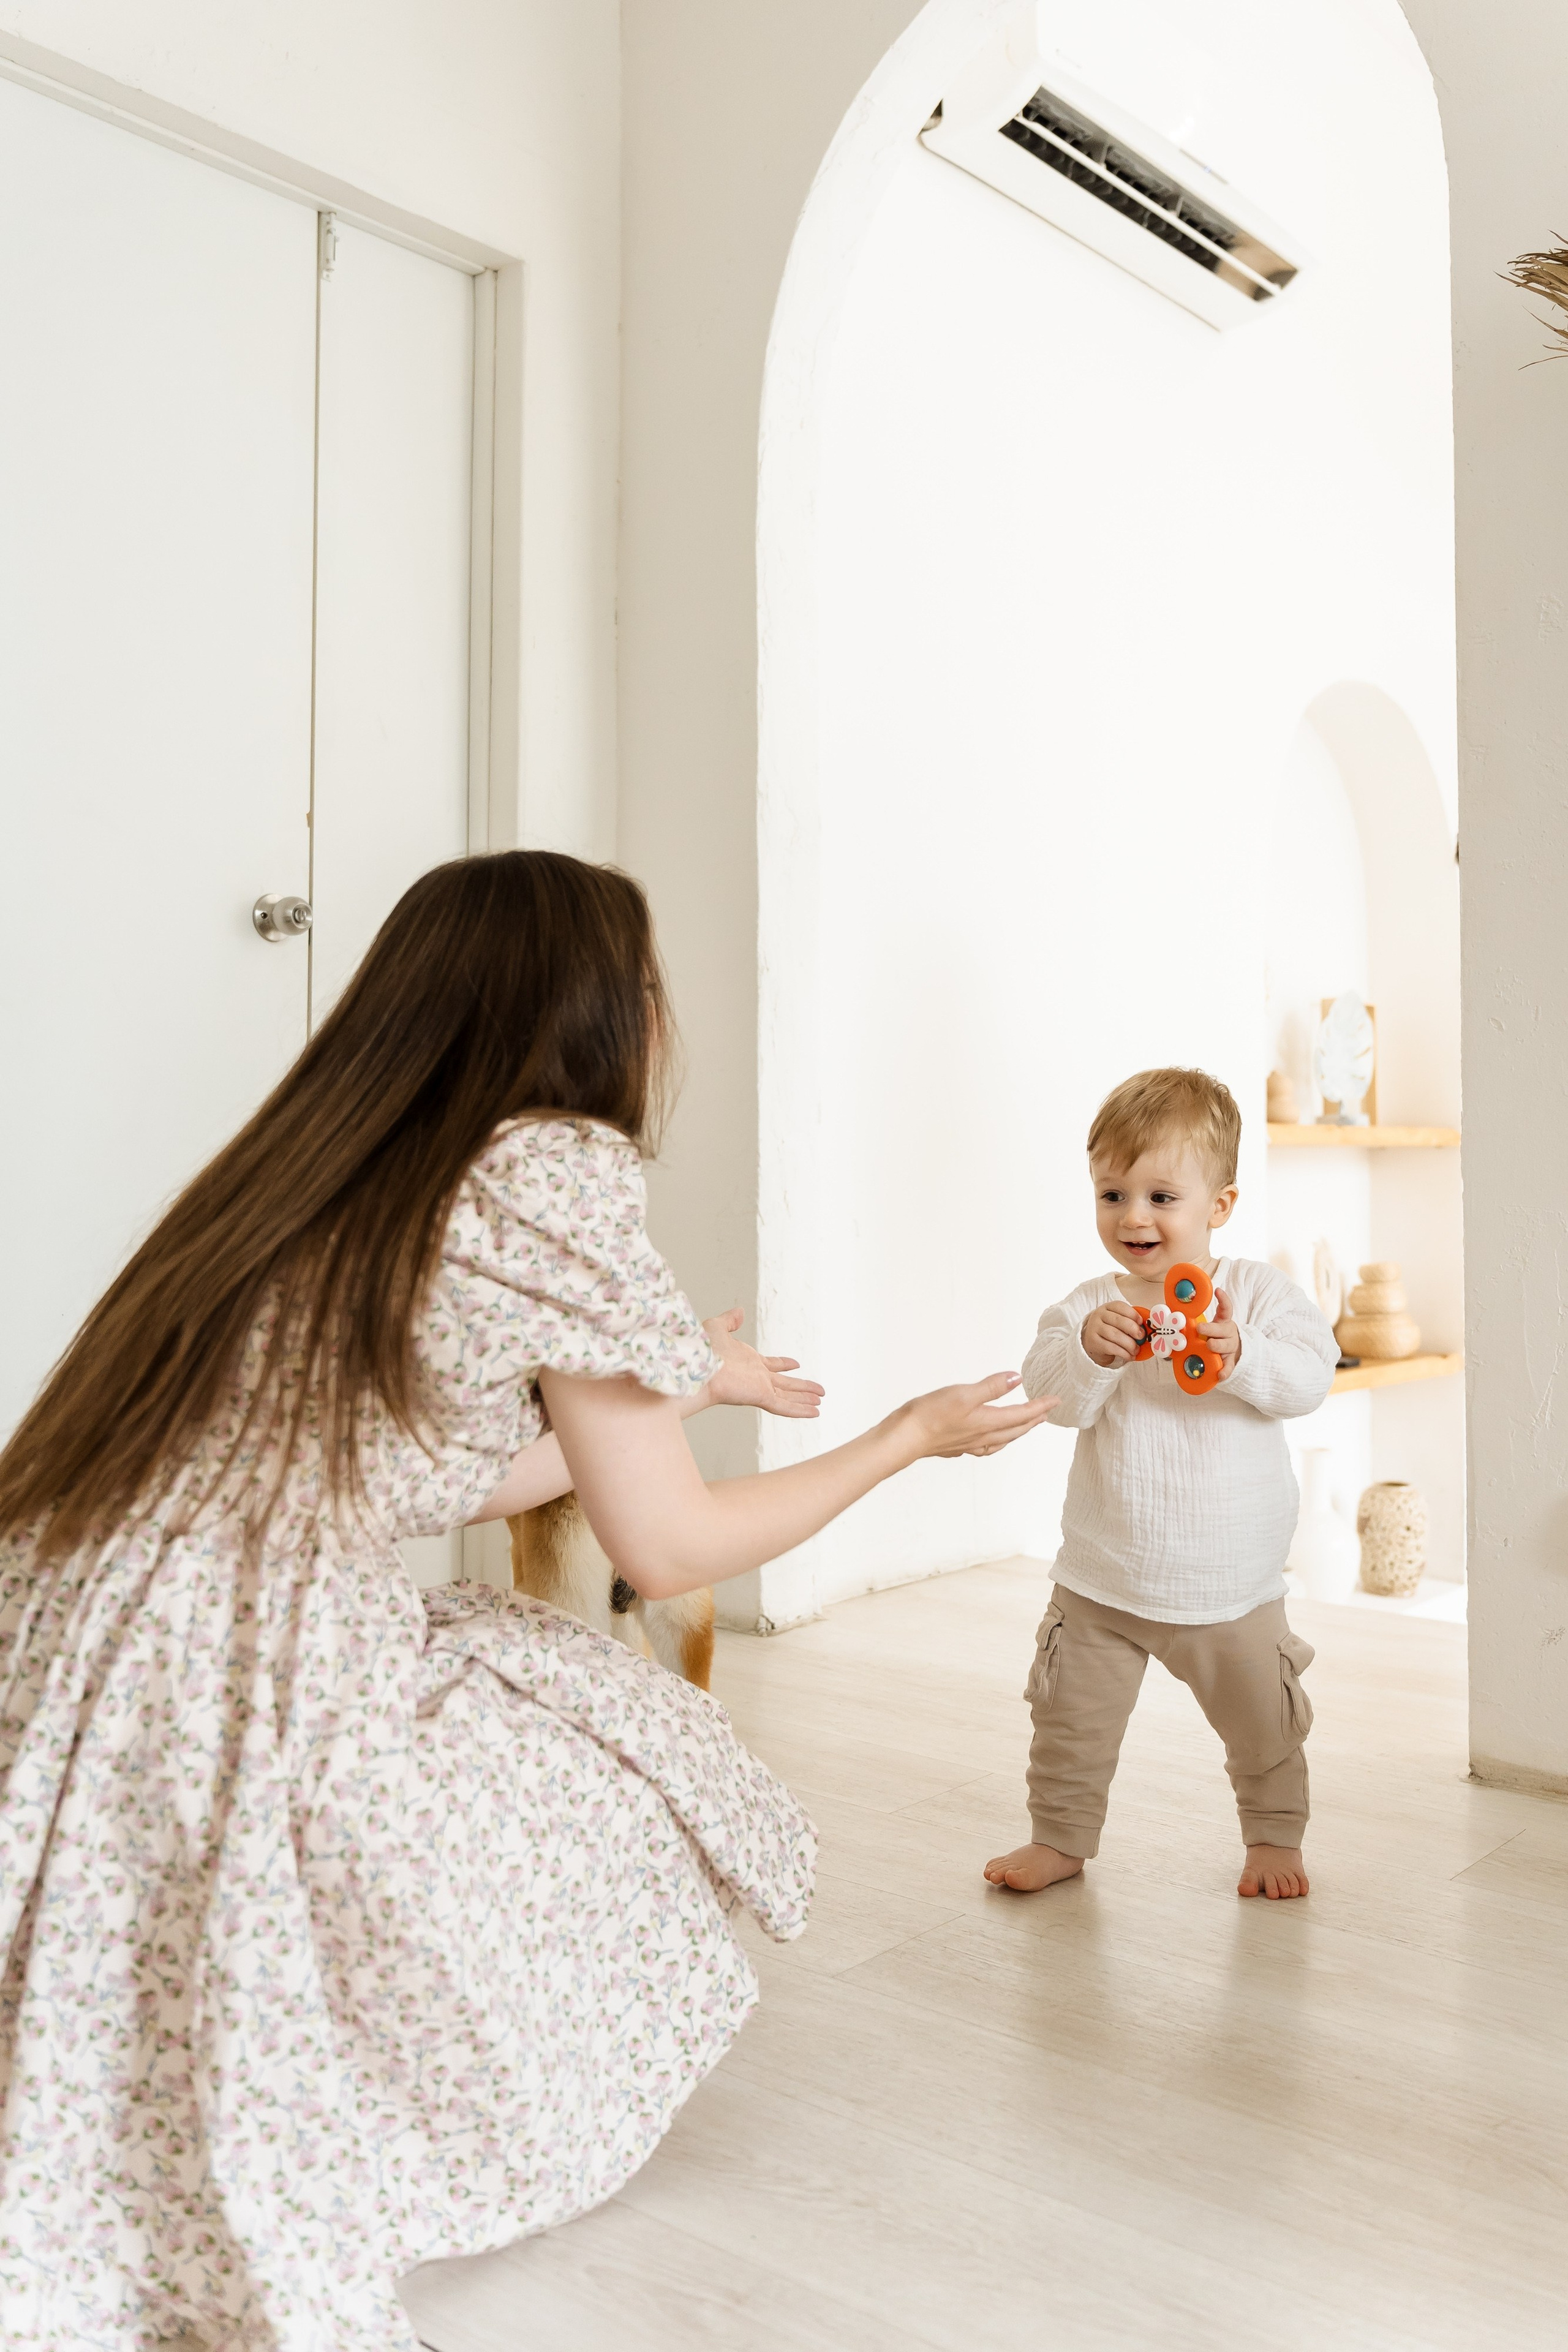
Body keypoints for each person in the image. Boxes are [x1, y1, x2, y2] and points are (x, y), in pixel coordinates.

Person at [0, 849, 1052, 2352]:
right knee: (599, 1754)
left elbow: (393, 1471)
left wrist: (675, 1379)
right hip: (229, 1648)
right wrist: (906, 1440)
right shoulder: (553, 1169)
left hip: (73, 1610)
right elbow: (670, 1549)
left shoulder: (319, 1162)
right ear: (606, 1011)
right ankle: (407, 2117)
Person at [983, 1067, 1337, 1906]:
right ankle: (1059, 1836)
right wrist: (1089, 1354)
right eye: (1112, 1193)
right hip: (1105, 1579)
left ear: (1220, 1206)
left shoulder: (1257, 1296)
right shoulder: (1090, 1307)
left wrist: (1242, 1351)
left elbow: (1309, 1379)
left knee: (1264, 1725)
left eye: (1161, 1196)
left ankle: (1272, 1833)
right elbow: (1053, 1401)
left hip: (1230, 1587)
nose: (1133, 1217)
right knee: (1068, 1721)